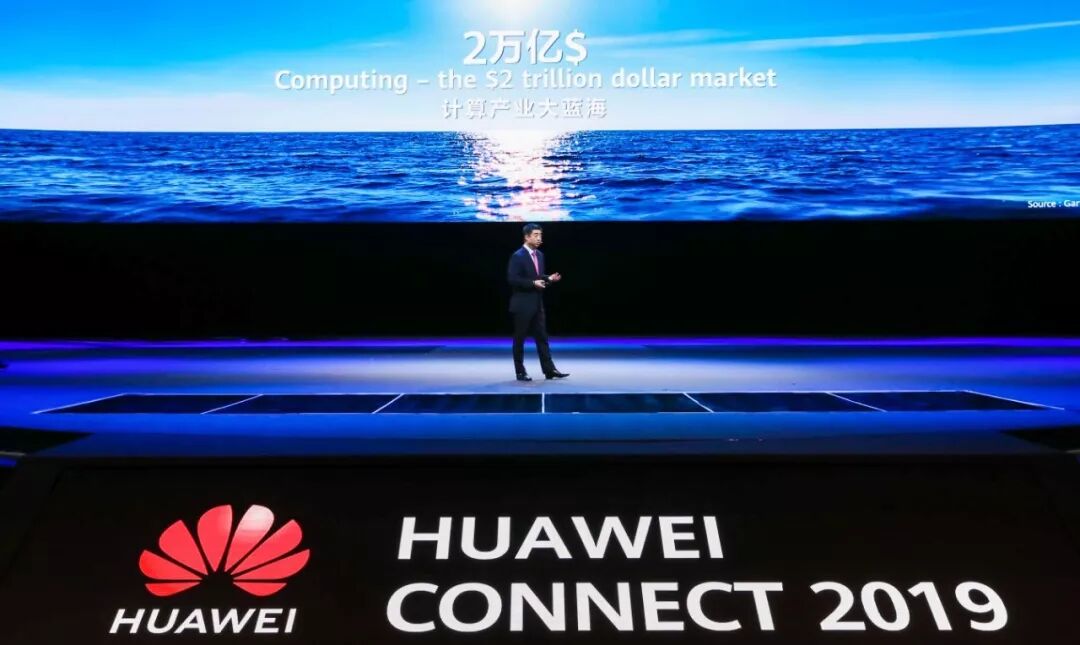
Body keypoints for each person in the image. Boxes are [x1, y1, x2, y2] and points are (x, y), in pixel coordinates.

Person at [507, 224, 569, 381]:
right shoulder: (518, 256)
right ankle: (520, 371)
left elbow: (537, 276)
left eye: (540, 235)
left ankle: (549, 370)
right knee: (520, 339)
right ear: (526, 237)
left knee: (542, 337)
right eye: (535, 235)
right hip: (522, 304)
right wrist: (533, 283)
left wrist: (548, 278)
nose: (539, 238)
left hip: (537, 303)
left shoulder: (540, 255)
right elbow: (513, 279)